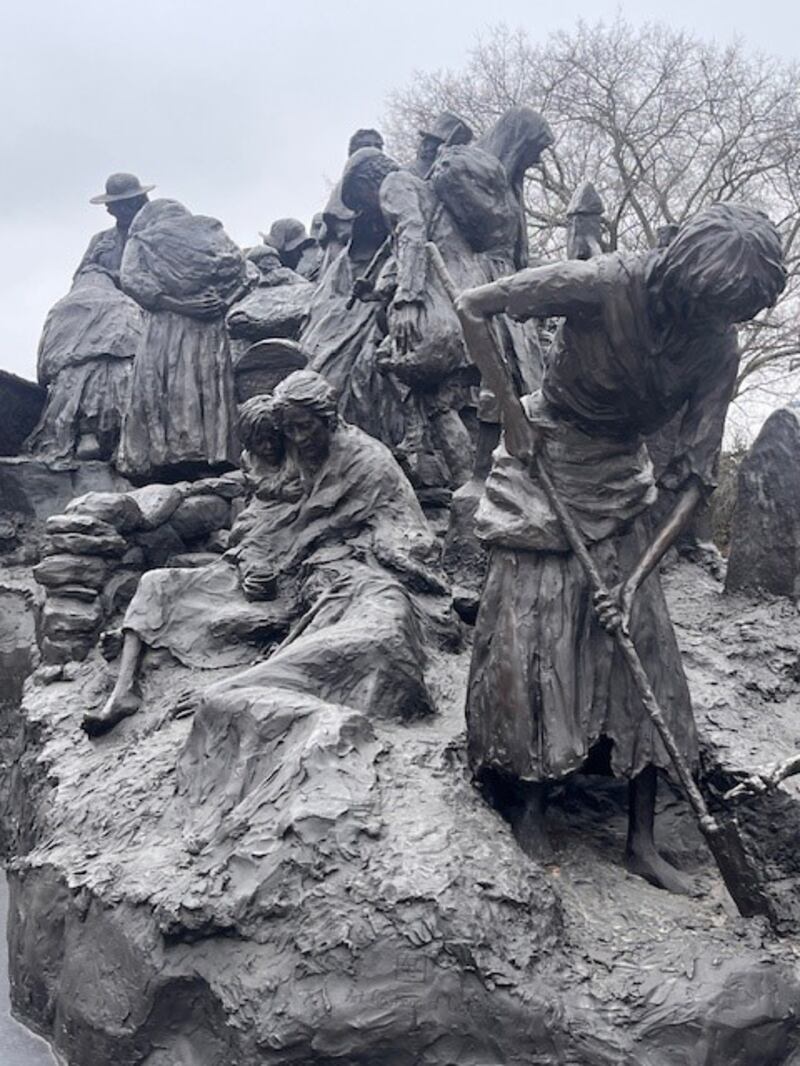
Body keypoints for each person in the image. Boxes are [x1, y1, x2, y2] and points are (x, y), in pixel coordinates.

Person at [457, 202, 786, 893]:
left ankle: (642, 839)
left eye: (721, 313)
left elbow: (697, 476)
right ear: (680, 272)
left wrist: (637, 577)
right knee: (536, 631)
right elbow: (475, 303)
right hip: (544, 458)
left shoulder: (715, 345)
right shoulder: (604, 282)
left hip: (621, 481)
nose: (704, 321)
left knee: (648, 654)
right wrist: (512, 413)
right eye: (700, 303)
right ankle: (530, 803)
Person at [82, 394, 303, 736]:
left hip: (277, 566)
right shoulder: (253, 466)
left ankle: (140, 643)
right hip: (237, 563)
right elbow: (236, 487)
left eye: (271, 438)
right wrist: (186, 490)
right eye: (257, 442)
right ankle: (123, 690)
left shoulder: (305, 470)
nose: (266, 447)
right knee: (156, 581)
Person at [116, 198, 250, 480]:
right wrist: (224, 302)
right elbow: (245, 274)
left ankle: (169, 455)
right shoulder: (213, 237)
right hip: (208, 325)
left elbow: (131, 280)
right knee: (204, 382)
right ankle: (214, 453)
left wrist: (178, 304)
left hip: (166, 323)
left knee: (169, 381)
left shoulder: (142, 240)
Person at [26, 173, 153, 462]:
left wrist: (119, 280)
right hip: (97, 312)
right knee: (78, 354)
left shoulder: (154, 237)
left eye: (125, 204)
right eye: (115, 205)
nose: (118, 210)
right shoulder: (101, 241)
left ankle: (117, 433)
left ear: (138, 202)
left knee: (118, 354)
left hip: (139, 311)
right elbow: (82, 280)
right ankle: (80, 428)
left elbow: (159, 278)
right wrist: (98, 281)